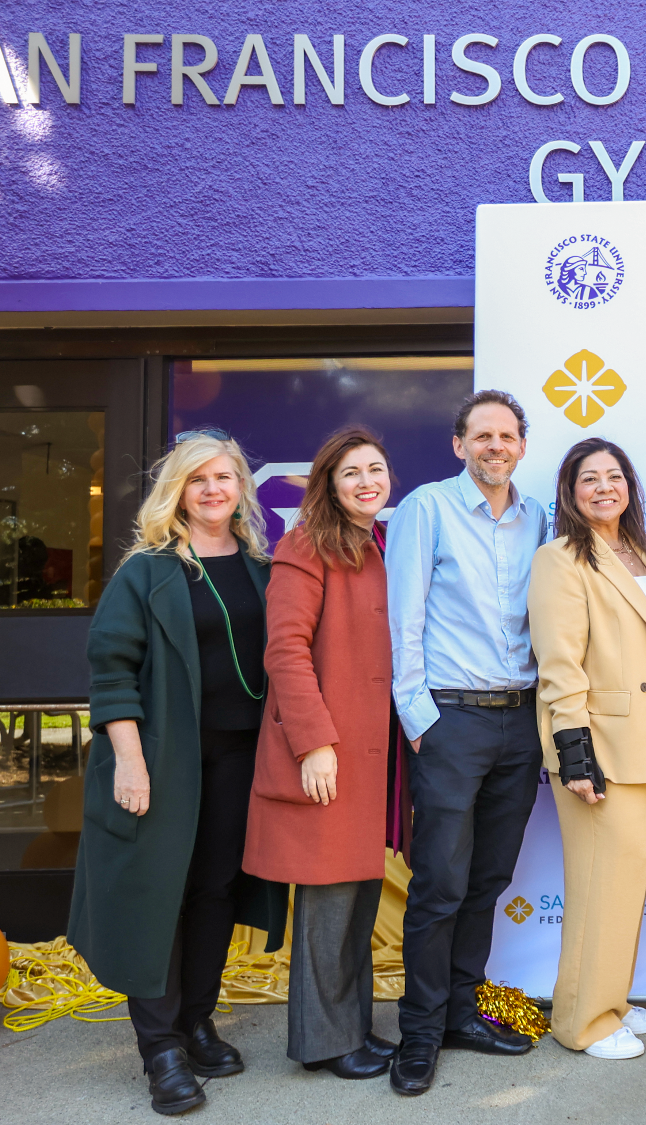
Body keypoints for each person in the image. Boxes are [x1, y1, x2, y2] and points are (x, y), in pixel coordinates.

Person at [72, 431, 287, 1116]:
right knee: (157, 894)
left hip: (239, 758)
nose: (214, 488)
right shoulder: (147, 571)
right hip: (162, 760)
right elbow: (111, 672)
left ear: (241, 487)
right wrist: (130, 763)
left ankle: (197, 1019)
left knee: (215, 888)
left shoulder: (261, 567)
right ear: (179, 491)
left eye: (225, 476)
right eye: (199, 479)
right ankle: (160, 1047)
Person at [386, 391, 548, 1096]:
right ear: (459, 445)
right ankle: (418, 1032)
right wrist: (419, 716)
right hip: (451, 717)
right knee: (441, 882)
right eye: (482, 435)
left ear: (521, 445)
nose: (495, 445)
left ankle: (463, 1011)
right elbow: (404, 617)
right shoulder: (426, 508)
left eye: (507, 435)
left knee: (486, 879)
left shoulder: (538, 514)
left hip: (520, 718)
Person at [531, 437, 646, 1059]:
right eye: (589, 479)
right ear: (570, 494)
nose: (604, 487)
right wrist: (575, 752)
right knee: (600, 884)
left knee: (624, 882)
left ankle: (614, 1000)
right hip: (599, 746)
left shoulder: (640, 553)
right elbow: (559, 664)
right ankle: (584, 1023)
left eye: (614, 476)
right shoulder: (560, 558)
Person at [243, 426, 398, 1080]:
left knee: (357, 897)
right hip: (330, 751)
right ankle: (327, 1042)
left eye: (376, 469)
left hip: (373, 752)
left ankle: (351, 1027)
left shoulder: (376, 544)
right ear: (329, 485)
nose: (367, 481)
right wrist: (315, 743)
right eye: (351, 472)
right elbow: (284, 649)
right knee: (330, 902)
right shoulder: (305, 544)